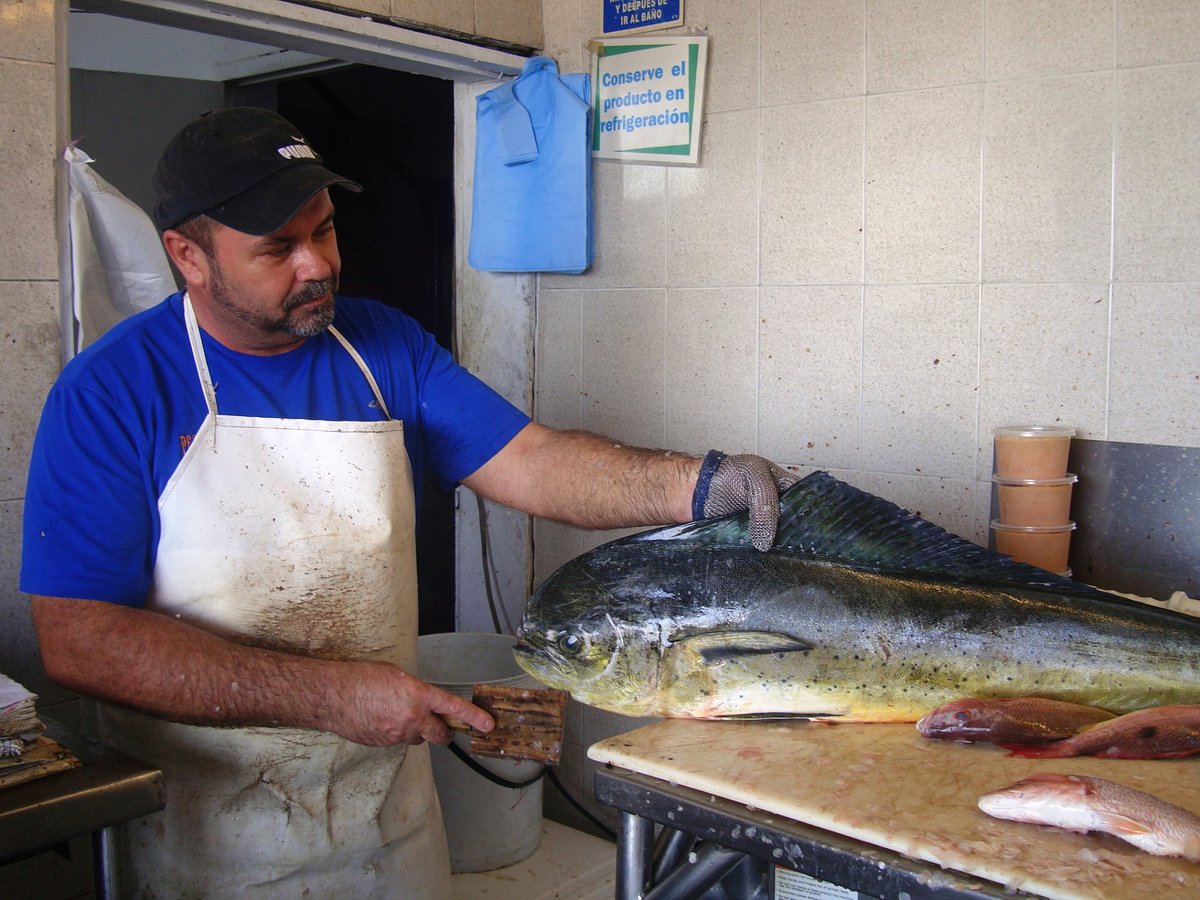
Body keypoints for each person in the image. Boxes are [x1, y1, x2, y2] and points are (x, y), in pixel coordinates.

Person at [20, 107, 796, 898]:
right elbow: (82, 641)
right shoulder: (113, 392)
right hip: (212, 837)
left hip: (389, 824)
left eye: (323, 231)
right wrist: (330, 696)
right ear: (187, 255)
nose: (317, 265)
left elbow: (531, 460)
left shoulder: (380, 344)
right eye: (277, 249)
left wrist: (699, 485)